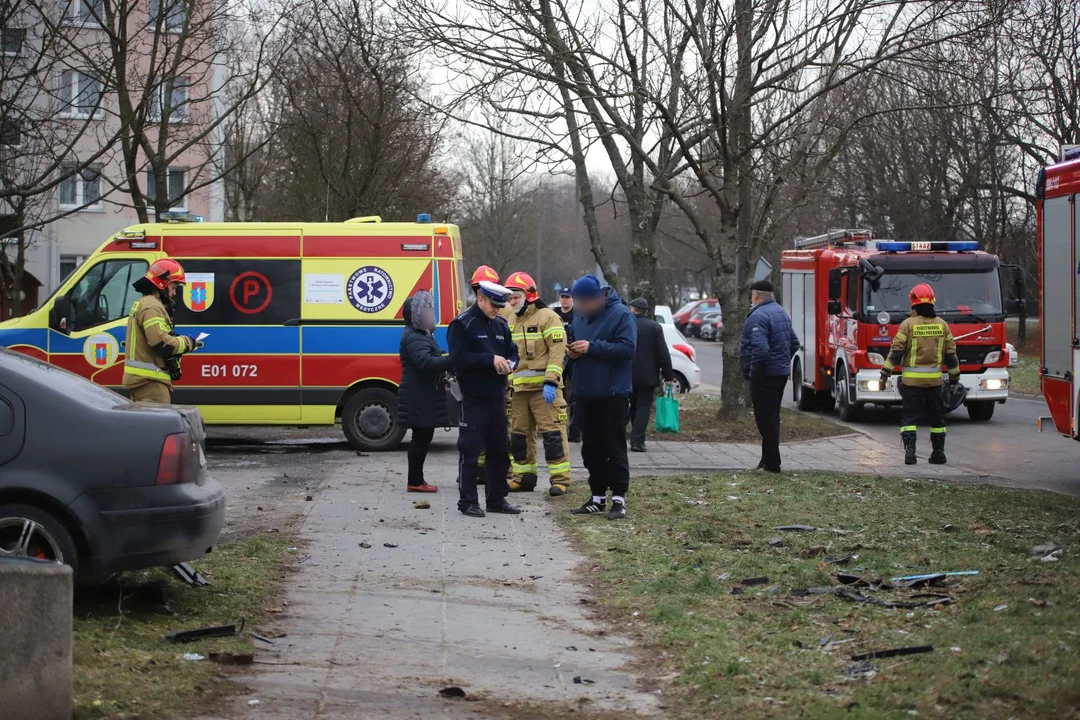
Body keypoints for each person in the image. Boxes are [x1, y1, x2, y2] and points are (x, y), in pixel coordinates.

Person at [447, 280, 522, 518]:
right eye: (493, 305)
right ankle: (468, 500)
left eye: (501, 306)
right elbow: (458, 359)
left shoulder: (500, 324)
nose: (497, 310)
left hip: (497, 396)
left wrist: (510, 364)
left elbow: (512, 352)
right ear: (480, 299)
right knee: (470, 450)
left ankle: (496, 499)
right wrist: (489, 359)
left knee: (500, 450)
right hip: (473, 397)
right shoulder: (462, 325)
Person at [567, 275, 637, 520]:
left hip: (612, 393)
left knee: (614, 446)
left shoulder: (621, 315)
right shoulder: (579, 318)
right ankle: (597, 496)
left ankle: (619, 498)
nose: (582, 306)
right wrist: (573, 354)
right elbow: (576, 342)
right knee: (591, 449)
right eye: (578, 302)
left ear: (600, 296)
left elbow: (628, 348)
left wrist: (592, 347)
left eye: (586, 301)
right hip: (586, 393)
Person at [503, 271, 571, 496]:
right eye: (510, 297)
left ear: (529, 295)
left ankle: (560, 480)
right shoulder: (510, 320)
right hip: (519, 391)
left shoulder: (547, 317)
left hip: (545, 391)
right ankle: (523, 478)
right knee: (519, 437)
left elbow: (558, 352)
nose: (512, 301)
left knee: (552, 435)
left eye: (516, 296)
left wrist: (551, 381)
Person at [880, 283, 960, 465]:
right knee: (937, 418)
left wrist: (884, 374)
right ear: (933, 302)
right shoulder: (942, 325)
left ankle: (910, 453)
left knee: (909, 417)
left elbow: (896, 352)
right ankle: (938, 453)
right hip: (935, 384)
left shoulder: (907, 325)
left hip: (911, 383)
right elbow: (951, 355)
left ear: (913, 303)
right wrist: (955, 377)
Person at [739, 279, 800, 473]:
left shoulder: (759, 316)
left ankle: (772, 464)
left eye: (752, 295)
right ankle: (766, 460)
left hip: (764, 376)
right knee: (771, 418)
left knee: (765, 421)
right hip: (779, 375)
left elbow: (761, 349)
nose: (751, 298)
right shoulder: (781, 312)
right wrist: (783, 363)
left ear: (756, 295)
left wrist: (754, 374)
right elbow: (794, 343)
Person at [122, 258, 199, 403]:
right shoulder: (152, 306)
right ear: (163, 284)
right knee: (158, 424)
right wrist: (187, 342)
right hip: (150, 382)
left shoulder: (146, 302)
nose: (174, 293)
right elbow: (160, 342)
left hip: (146, 381)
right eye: (173, 287)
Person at [397, 290, 452, 493]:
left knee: (423, 436)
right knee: (420, 438)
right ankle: (415, 481)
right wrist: (452, 360)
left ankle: (416, 480)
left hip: (422, 394)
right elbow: (425, 362)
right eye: (427, 310)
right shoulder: (414, 337)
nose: (431, 314)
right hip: (418, 396)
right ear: (416, 314)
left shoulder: (421, 334)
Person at [628, 297, 674, 452]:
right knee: (643, 407)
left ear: (632, 309)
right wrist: (668, 374)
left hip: (627, 374)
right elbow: (663, 353)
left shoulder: (627, 325)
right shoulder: (654, 327)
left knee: (632, 406)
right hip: (648, 376)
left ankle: (628, 436)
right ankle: (637, 441)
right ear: (646, 311)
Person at [553, 286, 581, 443]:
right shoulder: (554, 314)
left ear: (572, 299)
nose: (564, 299)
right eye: (562, 296)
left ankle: (575, 430)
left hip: (573, 356)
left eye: (567, 297)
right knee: (557, 392)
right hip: (557, 357)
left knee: (575, 393)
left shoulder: (578, 314)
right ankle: (555, 426)